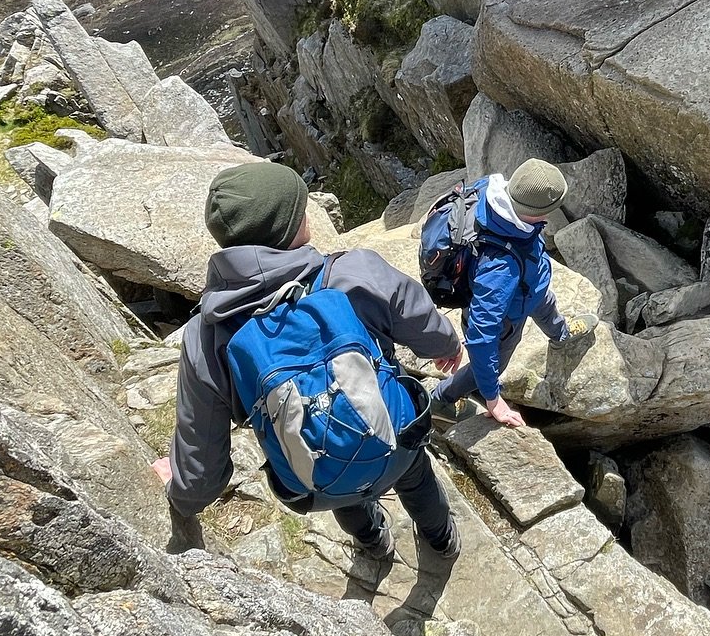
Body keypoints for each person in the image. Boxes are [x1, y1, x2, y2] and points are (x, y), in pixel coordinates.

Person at [154, 161, 472, 563]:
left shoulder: (207, 334)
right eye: (300, 210)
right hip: (396, 437)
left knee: (335, 475)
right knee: (416, 476)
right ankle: (441, 538)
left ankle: (374, 542)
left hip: (315, 478)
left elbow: (201, 467)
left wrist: (181, 489)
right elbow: (426, 327)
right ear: (283, 228)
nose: (308, 214)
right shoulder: (354, 271)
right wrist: (447, 345)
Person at [430, 158, 597, 425]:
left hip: (528, 286)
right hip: (508, 316)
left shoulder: (491, 189)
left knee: (545, 302)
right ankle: (442, 398)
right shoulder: (500, 268)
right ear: (539, 211)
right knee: (493, 361)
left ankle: (561, 334)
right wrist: (493, 399)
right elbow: (482, 336)